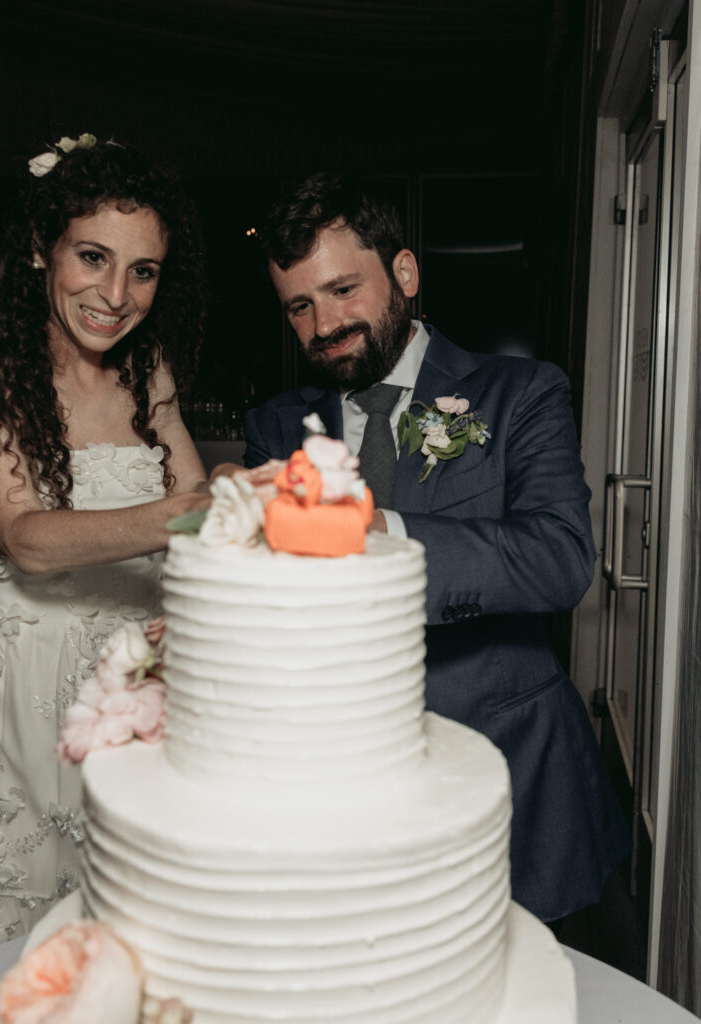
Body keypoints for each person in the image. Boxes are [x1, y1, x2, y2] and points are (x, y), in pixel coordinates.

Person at [244, 172, 630, 925]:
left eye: (342, 289)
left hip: (507, 774)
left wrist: (377, 529)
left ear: (405, 272)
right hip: (337, 793)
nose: (322, 325)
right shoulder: (275, 429)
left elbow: (558, 559)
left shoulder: (519, 393)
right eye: (299, 306)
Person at [0, 133, 209, 982]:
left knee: (142, 963)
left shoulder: (151, 377)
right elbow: (26, 537)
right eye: (93, 258)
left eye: (142, 270)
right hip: (15, 712)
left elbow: (200, 537)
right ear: (41, 246)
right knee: (20, 970)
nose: (116, 295)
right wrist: (187, 511)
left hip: (140, 702)